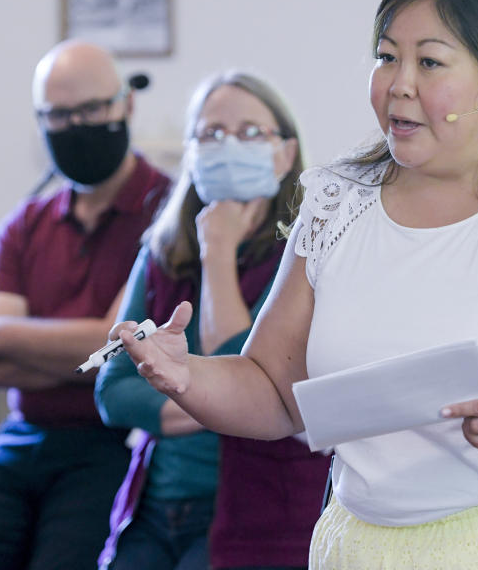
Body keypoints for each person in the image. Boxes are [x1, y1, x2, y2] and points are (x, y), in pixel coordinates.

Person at [113, 0, 478, 569]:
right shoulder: (337, 204)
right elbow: (275, 393)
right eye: (386, 58)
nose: (399, 84)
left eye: (430, 62)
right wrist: (186, 375)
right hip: (365, 545)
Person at [0, 40, 171, 570]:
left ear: (127, 105)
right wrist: (86, 343)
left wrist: (11, 337)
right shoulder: (25, 224)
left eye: (92, 109)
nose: (76, 125)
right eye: (58, 115)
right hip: (21, 439)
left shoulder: (168, 214)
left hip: (113, 445)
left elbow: (123, 350)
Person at [94, 70, 331, 570]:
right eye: (210, 134)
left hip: (261, 516)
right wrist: (207, 400)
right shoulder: (161, 251)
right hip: (154, 507)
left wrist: (218, 252)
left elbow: (253, 381)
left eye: (249, 133)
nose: (227, 146)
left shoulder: (307, 254)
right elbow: (114, 392)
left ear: (285, 153)